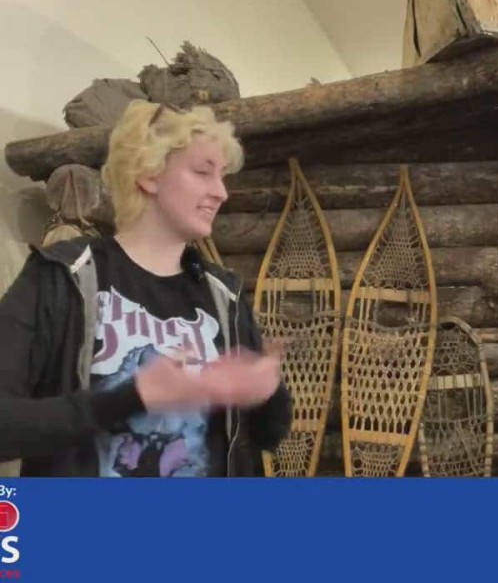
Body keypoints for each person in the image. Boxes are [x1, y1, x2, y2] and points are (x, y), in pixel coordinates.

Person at [0, 100, 291, 476]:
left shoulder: (225, 296)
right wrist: (133, 397)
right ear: (149, 174)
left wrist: (267, 393)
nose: (222, 192)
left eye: (222, 176)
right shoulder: (62, 275)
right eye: (203, 172)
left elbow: (268, 435)